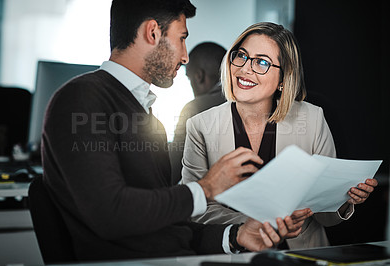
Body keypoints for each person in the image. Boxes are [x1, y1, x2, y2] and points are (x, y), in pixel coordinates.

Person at [40, 2, 301, 262]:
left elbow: (164, 226)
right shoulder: (81, 98)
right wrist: (206, 188)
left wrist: (235, 236)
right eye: (182, 38)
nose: (185, 56)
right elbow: (111, 214)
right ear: (152, 33)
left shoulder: (147, 118)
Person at [181, 22, 378, 249]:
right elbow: (196, 208)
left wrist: (344, 201)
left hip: (301, 254)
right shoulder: (200, 125)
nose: (245, 69)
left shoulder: (313, 118)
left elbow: (325, 215)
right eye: (241, 56)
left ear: (284, 80)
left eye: (262, 62)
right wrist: (252, 226)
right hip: (235, 253)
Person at [170, 42, 226, 184]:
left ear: (199, 76)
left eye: (189, 79)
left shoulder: (196, 108)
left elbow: (171, 171)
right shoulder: (253, 101)